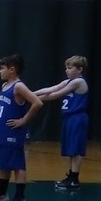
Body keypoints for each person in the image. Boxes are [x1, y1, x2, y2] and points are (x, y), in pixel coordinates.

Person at [0, 54, 43, 201]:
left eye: (2, 68)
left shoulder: (19, 86)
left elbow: (37, 102)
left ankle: (20, 198)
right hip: (2, 131)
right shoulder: (5, 86)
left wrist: (23, 120)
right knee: (4, 164)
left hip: (14, 132)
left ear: (12, 69)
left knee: (17, 164)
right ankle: (1, 194)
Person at [35, 56, 89, 190]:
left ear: (80, 69)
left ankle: (74, 179)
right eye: (66, 68)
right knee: (71, 149)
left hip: (77, 118)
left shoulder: (78, 82)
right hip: (69, 118)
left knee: (76, 150)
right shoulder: (68, 81)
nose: (67, 70)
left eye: (70, 68)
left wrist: (31, 98)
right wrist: (30, 93)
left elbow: (56, 95)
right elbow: (51, 89)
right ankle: (71, 176)